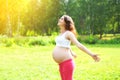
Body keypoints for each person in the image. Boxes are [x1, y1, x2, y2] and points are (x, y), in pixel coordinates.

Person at [52, 15, 100, 80]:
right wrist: (71, 52)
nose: (59, 19)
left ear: (66, 22)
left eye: (61, 19)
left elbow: (78, 45)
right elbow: (65, 45)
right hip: (61, 63)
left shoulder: (68, 33)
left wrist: (91, 54)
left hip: (67, 63)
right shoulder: (61, 33)